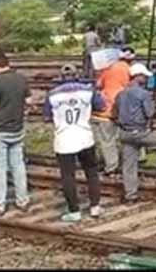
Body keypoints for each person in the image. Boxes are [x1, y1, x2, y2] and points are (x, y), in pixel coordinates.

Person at [44, 64, 104, 222]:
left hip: (63, 139)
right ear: (77, 75)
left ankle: (74, 211)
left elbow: (47, 116)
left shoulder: (52, 94)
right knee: (91, 172)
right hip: (85, 136)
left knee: (68, 176)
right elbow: (101, 106)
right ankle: (95, 207)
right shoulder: (88, 90)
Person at [114, 63, 156, 203]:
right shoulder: (143, 94)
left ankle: (130, 194)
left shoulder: (120, 94)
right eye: (144, 76)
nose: (146, 79)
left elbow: (115, 113)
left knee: (129, 165)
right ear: (138, 76)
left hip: (125, 133)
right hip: (140, 132)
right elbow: (150, 113)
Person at [0, 51, 31, 215]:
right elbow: (29, 101)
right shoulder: (21, 78)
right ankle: (22, 200)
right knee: (18, 166)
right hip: (17, 129)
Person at [92, 47, 133, 176]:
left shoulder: (107, 68)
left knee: (107, 139)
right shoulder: (128, 69)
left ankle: (111, 166)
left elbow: (99, 85)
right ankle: (137, 158)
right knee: (129, 133)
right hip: (124, 107)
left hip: (107, 107)